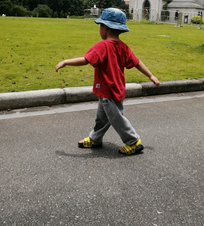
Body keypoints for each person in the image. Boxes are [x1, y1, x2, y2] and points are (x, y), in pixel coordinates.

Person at [55, 8, 160, 155]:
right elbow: (137, 63)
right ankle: (95, 138)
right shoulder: (123, 47)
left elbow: (85, 60)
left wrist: (66, 62)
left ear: (105, 28)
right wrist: (151, 75)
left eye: (100, 26)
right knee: (102, 117)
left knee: (116, 118)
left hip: (108, 91)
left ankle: (133, 141)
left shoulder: (102, 46)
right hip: (115, 89)